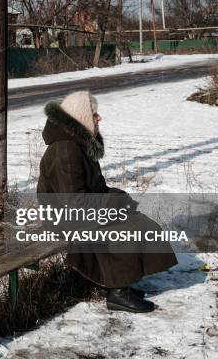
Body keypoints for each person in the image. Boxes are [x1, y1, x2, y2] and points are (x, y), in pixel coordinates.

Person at [37, 91, 178, 313]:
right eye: (94, 114)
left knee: (138, 221)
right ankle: (117, 293)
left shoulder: (79, 145)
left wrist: (119, 200)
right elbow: (74, 203)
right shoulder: (65, 149)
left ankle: (119, 282)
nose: (99, 118)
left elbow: (96, 190)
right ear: (80, 117)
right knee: (127, 229)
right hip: (63, 220)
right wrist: (114, 203)